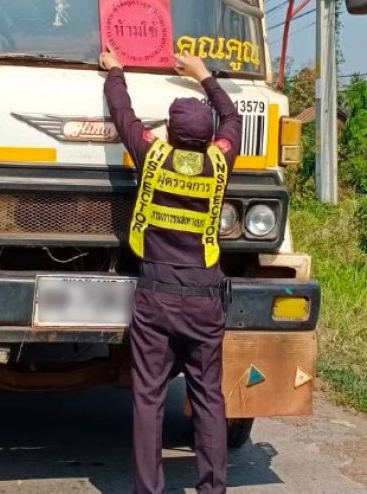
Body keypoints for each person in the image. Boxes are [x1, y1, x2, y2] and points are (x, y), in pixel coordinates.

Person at [100, 49, 242, 494]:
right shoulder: (220, 161)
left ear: (172, 131)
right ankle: (212, 489)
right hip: (205, 299)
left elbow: (123, 114)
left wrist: (116, 69)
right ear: (207, 137)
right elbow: (233, 118)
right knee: (209, 399)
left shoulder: (153, 157)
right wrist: (205, 77)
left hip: (156, 298)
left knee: (148, 399)